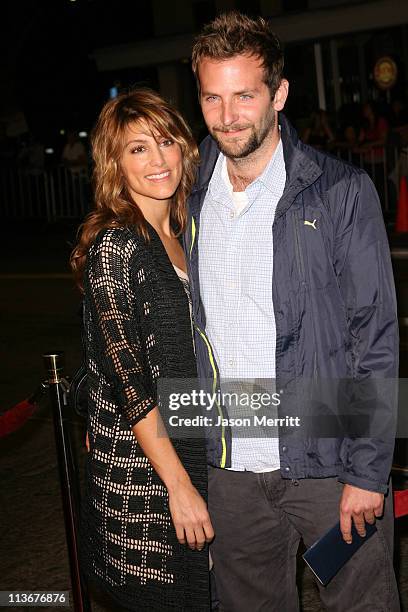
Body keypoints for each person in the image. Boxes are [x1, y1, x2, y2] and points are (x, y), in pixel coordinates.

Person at [184, 12, 400, 611]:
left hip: (329, 461)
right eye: (213, 97)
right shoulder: (187, 196)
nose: (227, 117)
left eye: (245, 96)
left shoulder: (340, 192)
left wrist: (367, 471)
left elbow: (375, 339)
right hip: (231, 473)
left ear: (278, 94)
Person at [70, 88, 213, 611]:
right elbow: (131, 384)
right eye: (137, 149)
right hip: (145, 480)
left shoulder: (180, 232)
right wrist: (179, 486)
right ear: (115, 163)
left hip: (190, 443)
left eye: (166, 141)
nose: (157, 160)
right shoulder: (116, 246)